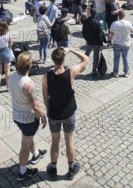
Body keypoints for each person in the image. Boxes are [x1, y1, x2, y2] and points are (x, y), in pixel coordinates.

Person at [42, 47, 88, 180]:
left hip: (54, 115)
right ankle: (71, 167)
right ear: (64, 59)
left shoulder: (46, 77)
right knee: (69, 141)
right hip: (68, 113)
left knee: (55, 142)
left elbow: (45, 97)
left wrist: (48, 109)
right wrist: (72, 50)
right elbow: (85, 59)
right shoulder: (71, 72)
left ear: (53, 60)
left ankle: (53, 166)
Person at [8, 52, 48, 181]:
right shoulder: (29, 84)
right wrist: (43, 116)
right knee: (25, 145)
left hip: (16, 115)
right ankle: (22, 172)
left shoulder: (12, 75)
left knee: (28, 137)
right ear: (29, 66)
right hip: (28, 120)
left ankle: (35, 155)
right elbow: (35, 107)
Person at [108, 10, 133, 78]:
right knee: (125, 57)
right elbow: (132, 30)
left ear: (118, 16)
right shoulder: (128, 23)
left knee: (116, 58)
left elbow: (110, 33)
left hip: (116, 43)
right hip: (126, 43)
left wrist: (110, 38)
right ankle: (126, 72)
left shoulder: (114, 23)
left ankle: (115, 72)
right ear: (124, 15)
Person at [82, 8, 105, 76]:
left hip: (89, 41)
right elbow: (100, 34)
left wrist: (87, 39)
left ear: (90, 13)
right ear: (96, 14)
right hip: (96, 43)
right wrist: (101, 43)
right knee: (95, 57)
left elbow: (83, 32)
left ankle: (82, 67)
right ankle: (94, 71)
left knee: (86, 55)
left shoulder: (85, 21)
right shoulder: (99, 22)